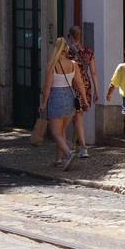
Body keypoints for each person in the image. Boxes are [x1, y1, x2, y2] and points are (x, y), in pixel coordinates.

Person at [40, 37, 88, 169]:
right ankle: (58, 160)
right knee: (61, 131)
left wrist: (43, 103)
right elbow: (80, 84)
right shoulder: (73, 64)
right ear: (66, 49)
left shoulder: (52, 65)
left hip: (56, 97)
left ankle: (68, 154)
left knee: (55, 133)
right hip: (70, 97)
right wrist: (84, 101)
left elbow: (47, 87)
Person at [66, 25, 99, 158]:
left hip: (74, 85)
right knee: (78, 116)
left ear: (72, 36)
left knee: (78, 117)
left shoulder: (68, 52)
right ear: (81, 37)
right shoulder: (88, 52)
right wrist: (97, 90)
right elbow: (94, 73)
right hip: (86, 85)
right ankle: (73, 144)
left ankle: (84, 148)